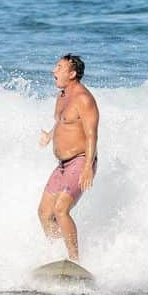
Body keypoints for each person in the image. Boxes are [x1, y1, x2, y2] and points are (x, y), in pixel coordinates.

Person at [38, 54, 99, 262]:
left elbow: (91, 134)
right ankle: (58, 256)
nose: (53, 71)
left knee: (61, 209)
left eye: (59, 68)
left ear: (72, 74)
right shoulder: (62, 96)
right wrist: (50, 134)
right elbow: (64, 123)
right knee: (44, 213)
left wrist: (88, 167)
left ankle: (74, 260)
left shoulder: (84, 99)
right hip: (62, 165)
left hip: (81, 161)